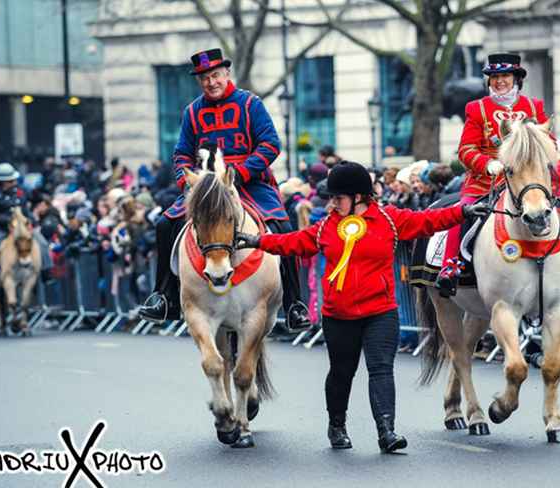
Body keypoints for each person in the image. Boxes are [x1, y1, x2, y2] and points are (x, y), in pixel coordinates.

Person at [233, 161, 491, 452]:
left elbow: (427, 221)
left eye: (338, 198)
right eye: (331, 197)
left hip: (381, 311)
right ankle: (337, 426)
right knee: (341, 373)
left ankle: (387, 431)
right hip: (338, 315)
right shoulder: (325, 227)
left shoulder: (390, 219)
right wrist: (257, 240)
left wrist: (462, 212)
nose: (332, 203)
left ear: (358, 197)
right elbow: (293, 242)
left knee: (381, 369)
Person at [139, 48, 310, 331]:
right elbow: (181, 154)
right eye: (205, 78)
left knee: (282, 225)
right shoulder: (192, 111)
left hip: (249, 183)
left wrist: (241, 172)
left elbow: (270, 144)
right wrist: (187, 181)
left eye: (215, 75)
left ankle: (294, 303)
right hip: (206, 188)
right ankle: (164, 297)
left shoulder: (250, 104)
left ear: (226, 74)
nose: (211, 82)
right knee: (164, 224)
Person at [435, 52, 560, 298]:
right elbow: (466, 149)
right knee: (462, 213)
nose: (499, 81)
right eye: (494, 77)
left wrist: (552, 148)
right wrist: (487, 163)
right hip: (488, 181)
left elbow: (548, 138)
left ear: (517, 79)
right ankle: (451, 267)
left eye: (505, 76)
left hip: (530, 179)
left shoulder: (533, 107)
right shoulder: (476, 108)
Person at [0, 163, 52, 286]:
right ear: (2, 182)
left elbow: (26, 209)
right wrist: (9, 220)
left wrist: (32, 220)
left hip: (23, 226)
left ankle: (46, 271)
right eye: (9, 181)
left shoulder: (21, 192)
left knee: (42, 242)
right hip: (4, 228)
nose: (12, 183)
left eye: (13, 180)